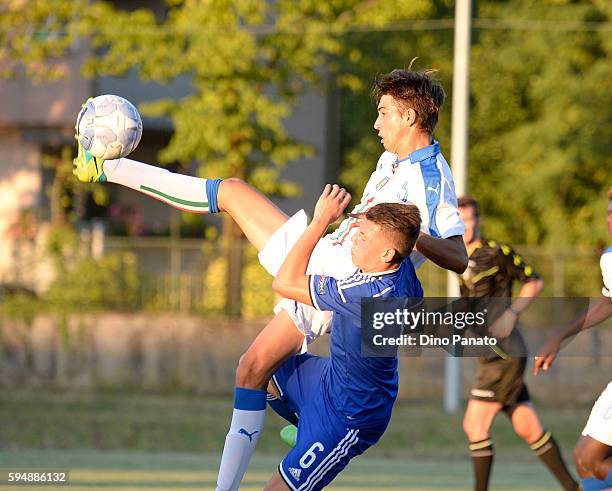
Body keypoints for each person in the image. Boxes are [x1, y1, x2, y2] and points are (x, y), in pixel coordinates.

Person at [73, 68, 467, 490]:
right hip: (322, 251)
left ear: (409, 117)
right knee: (233, 192)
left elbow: (458, 256)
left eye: (384, 113)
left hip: (332, 283)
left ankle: (236, 480)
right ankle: (105, 170)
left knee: (251, 369)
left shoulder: (432, 177)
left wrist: (408, 234)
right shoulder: (393, 158)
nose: (376, 123)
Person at [266, 184, 423, 490]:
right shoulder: (399, 269)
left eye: (363, 236)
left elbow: (284, 282)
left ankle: (316, 437)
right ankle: (305, 429)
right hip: (330, 380)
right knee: (263, 366)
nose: (353, 237)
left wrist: (320, 221)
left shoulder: (367, 294)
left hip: (349, 417)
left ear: (387, 253)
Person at [458, 196, 578, 491]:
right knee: (529, 427)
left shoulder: (496, 252)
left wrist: (511, 313)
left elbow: (534, 281)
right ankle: (574, 488)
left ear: (479, 220)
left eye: (470, 219)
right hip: (488, 353)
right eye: (458, 220)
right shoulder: (458, 257)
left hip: (505, 352)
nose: (464, 226)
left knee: (474, 425)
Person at [534, 188, 612, 491]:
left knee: (591, 459)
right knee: (586, 462)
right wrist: (560, 336)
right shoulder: (609, 259)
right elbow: (608, 301)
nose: (611, 219)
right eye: (609, 212)